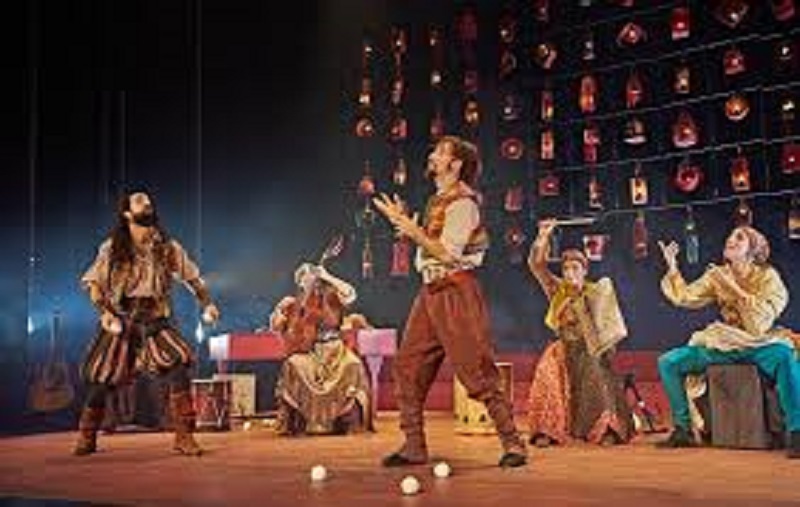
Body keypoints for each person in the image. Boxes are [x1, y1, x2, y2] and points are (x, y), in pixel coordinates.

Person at [373, 134, 527, 468]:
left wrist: (411, 230)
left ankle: (513, 443)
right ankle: (414, 445)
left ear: (455, 165)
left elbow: (447, 253)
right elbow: (431, 247)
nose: (433, 155)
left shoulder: (463, 204)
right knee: (408, 366)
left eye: (441, 153)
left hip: (455, 291)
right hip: (430, 292)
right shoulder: (438, 201)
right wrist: (407, 227)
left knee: (476, 369)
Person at [74, 191, 220, 456]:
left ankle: (184, 435)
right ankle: (87, 435)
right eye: (139, 202)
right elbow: (94, 284)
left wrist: (207, 303)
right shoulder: (112, 248)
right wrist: (104, 312)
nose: (146, 204)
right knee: (102, 378)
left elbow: (193, 279)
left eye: (149, 202)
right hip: (122, 318)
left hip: (155, 319)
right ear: (127, 214)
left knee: (178, 365)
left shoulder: (167, 247)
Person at [656, 225, 800, 458]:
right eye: (731, 236)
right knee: (669, 362)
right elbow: (685, 297)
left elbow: (758, 325)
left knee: (785, 356)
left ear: (752, 250)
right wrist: (672, 267)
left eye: (739, 238)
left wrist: (734, 288)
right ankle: (683, 429)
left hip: (758, 344)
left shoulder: (768, 277)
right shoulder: (717, 275)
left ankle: (797, 431)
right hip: (725, 343)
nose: (731, 240)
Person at [526, 219, 634, 447]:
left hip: (590, 348)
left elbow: (608, 326)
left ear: (585, 271)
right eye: (566, 269)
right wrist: (543, 236)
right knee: (547, 369)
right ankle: (547, 430)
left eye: (575, 268)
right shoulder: (557, 289)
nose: (569, 273)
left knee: (597, 374)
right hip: (564, 347)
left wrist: (606, 349)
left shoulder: (596, 292)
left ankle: (605, 429)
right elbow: (537, 266)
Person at [268, 262, 372, 435]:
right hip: (311, 351)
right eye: (304, 278)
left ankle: (344, 422)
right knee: (293, 364)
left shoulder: (330, 296)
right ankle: (305, 422)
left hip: (336, 350)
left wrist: (327, 276)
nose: (309, 281)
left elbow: (350, 295)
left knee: (353, 364)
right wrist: (278, 311)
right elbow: (276, 327)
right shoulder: (295, 304)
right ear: (299, 282)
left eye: (312, 277)